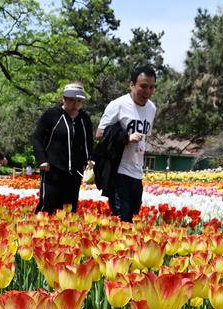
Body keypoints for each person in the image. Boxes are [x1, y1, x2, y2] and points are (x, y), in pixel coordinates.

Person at [96, 66, 157, 222]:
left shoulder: (151, 108)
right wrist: (125, 138)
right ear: (132, 85)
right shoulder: (118, 105)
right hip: (118, 170)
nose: (147, 91)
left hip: (137, 172)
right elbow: (99, 134)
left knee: (133, 219)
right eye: (143, 86)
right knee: (121, 221)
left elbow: (145, 137)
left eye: (151, 87)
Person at [32, 82, 94, 213]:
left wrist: (89, 159)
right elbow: (37, 138)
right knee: (47, 206)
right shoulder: (52, 115)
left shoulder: (84, 118)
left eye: (79, 101)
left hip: (75, 171)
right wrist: (42, 159)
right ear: (64, 99)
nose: (75, 104)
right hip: (53, 169)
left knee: (69, 209)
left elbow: (88, 140)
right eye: (71, 100)